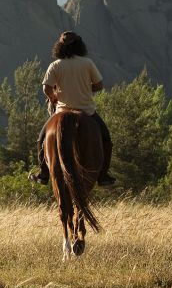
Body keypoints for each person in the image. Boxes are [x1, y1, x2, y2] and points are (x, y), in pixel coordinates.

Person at [29, 31, 116, 186]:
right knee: (106, 139)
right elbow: (99, 85)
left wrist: (54, 98)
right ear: (79, 46)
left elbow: (46, 88)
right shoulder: (87, 63)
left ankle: (43, 174)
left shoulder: (55, 65)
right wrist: (85, 89)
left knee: (42, 139)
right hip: (87, 111)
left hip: (62, 111)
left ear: (60, 47)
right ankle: (103, 175)